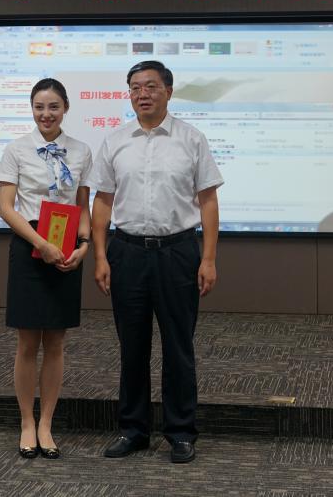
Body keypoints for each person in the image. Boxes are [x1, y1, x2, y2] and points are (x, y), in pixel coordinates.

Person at [90, 60, 223, 464]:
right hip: (127, 252)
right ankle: (133, 430)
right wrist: (101, 255)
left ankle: (180, 432)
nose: (142, 94)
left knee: (178, 347)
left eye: (150, 86)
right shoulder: (115, 141)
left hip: (178, 253)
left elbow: (208, 201)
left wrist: (209, 258)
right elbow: (103, 202)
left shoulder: (191, 139)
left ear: (168, 91)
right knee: (132, 347)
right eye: (134, 87)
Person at [0, 78, 93, 460]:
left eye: (53, 106)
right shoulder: (16, 149)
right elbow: (7, 208)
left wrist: (84, 245)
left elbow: (82, 206)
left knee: (55, 342)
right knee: (27, 342)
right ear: (31, 109)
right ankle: (26, 421)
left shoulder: (81, 150)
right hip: (30, 245)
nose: (46, 114)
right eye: (39, 107)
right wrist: (41, 244)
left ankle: (46, 424)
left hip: (66, 247)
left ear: (65, 108)